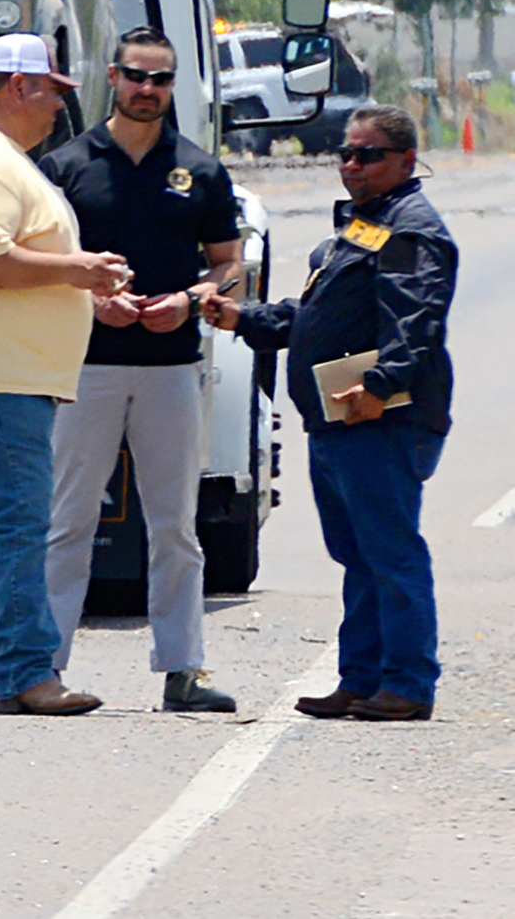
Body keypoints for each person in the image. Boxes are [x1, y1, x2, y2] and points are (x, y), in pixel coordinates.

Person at [206, 105, 455, 722]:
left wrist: (379, 386)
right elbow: (317, 315)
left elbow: (414, 320)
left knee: (390, 552)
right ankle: (362, 678)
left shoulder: (411, 229)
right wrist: (246, 319)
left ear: (404, 160)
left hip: (380, 417)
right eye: (346, 153)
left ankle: (407, 682)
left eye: (368, 155)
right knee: (359, 555)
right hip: (338, 419)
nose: (352, 165)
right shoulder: (362, 227)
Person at [0, 33, 132, 716]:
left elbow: (5, 260)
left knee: (0, 522)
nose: (59, 110)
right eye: (53, 93)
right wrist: (78, 271)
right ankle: (27, 671)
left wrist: (86, 294)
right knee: (15, 523)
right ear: (20, 87)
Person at [37, 27, 243, 714]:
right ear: (114, 79)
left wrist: (189, 299)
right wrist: (93, 299)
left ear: (172, 86)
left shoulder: (200, 169)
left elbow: (230, 262)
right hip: (86, 367)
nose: (147, 89)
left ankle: (183, 669)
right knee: (68, 522)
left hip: (169, 368)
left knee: (175, 524)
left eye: (161, 79)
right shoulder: (67, 165)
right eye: (136, 76)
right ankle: (45, 663)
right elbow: (36, 265)